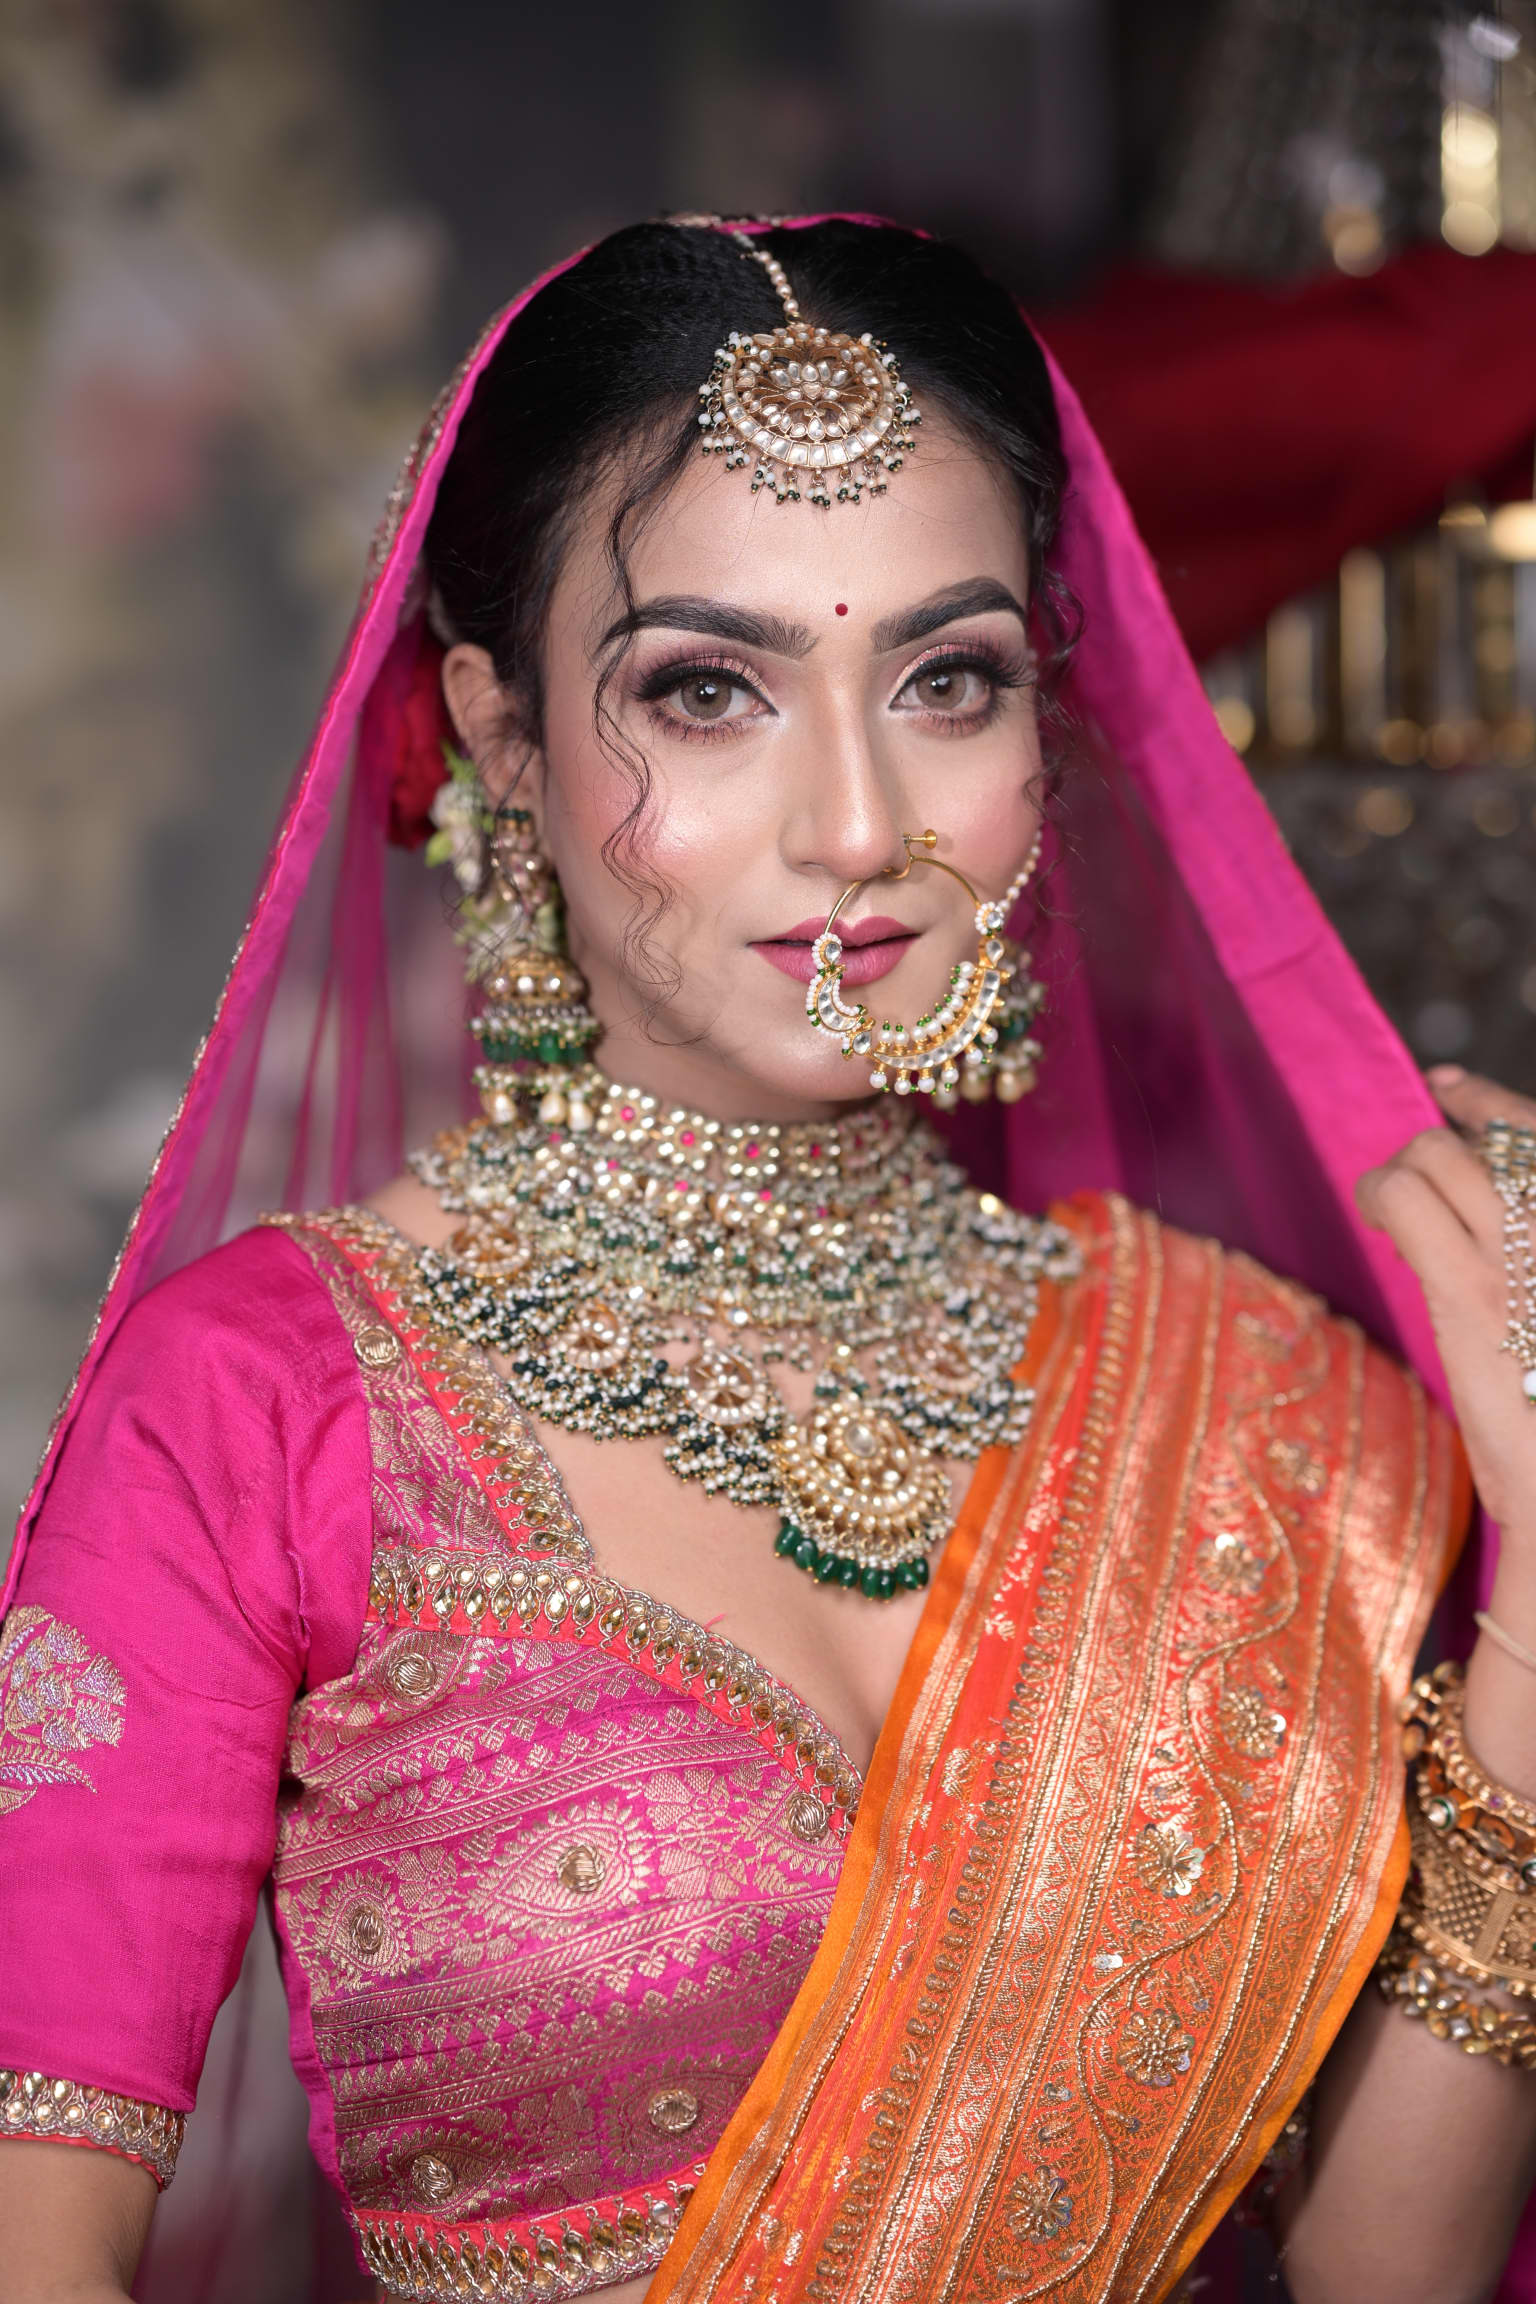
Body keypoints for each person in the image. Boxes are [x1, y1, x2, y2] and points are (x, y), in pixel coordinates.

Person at [1, 214, 1534, 2304]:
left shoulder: (1256, 1404)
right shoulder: (268, 1397)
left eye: (947, 678)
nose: (852, 821)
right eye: (708, 692)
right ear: (504, 735)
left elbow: (1390, 2276)